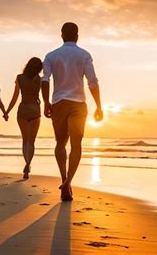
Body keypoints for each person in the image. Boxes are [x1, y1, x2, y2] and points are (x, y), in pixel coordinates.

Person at [42, 22, 103, 201]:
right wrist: (99, 106)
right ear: (77, 35)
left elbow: (44, 80)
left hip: (59, 103)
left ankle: (64, 179)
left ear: (62, 35)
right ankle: (68, 182)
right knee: (76, 145)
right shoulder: (84, 55)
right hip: (78, 105)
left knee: (60, 143)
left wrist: (46, 101)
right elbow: (92, 81)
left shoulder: (51, 56)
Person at [6, 57, 43, 179]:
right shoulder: (40, 80)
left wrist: (7, 111)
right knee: (31, 141)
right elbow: (44, 96)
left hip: (22, 109)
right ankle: (28, 164)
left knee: (25, 140)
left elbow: (15, 96)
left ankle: (26, 163)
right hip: (35, 109)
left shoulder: (19, 78)